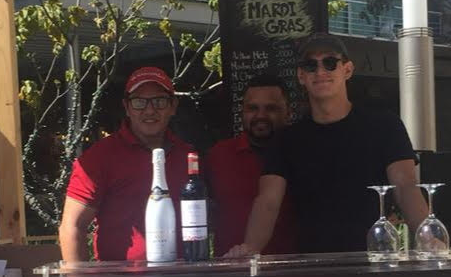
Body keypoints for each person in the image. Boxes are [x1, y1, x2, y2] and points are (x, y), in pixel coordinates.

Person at [228, 35, 430, 256]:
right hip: (312, 264)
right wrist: (250, 248)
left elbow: (405, 186)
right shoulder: (287, 140)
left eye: (330, 63)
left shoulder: (385, 125)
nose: (320, 71)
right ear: (301, 75)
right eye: (311, 65)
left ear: (347, 69)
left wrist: (428, 238)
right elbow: (268, 201)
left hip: (374, 259)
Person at [59, 66, 190, 262]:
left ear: (173, 106)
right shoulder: (99, 157)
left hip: (183, 276)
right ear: (127, 107)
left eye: (159, 101)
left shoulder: (187, 156)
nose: (150, 110)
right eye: (139, 102)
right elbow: (72, 226)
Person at [205, 73, 297, 256]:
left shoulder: (302, 154)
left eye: (271, 108)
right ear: (242, 112)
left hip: (293, 268)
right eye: (252, 108)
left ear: (288, 113)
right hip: (230, 267)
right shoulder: (218, 155)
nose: (260, 115)